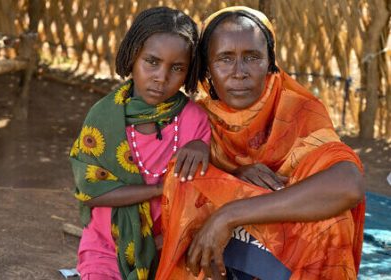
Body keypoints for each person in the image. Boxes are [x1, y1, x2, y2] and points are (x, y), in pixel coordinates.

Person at [156, 6, 365, 280]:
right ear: (207, 69)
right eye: (224, 59)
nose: (239, 72)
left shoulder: (299, 112)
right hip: (224, 261)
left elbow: (348, 183)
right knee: (185, 178)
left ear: (270, 63)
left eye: (252, 57)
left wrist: (229, 214)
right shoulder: (197, 119)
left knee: (332, 221)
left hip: (286, 254)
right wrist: (234, 177)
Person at [69, 7, 211, 280]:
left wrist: (202, 147)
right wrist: (160, 189)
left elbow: (202, 197)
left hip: (170, 248)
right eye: (152, 62)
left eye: (177, 68)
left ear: (189, 71)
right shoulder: (104, 118)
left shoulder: (194, 121)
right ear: (133, 56)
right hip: (107, 247)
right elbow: (92, 191)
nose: (161, 77)